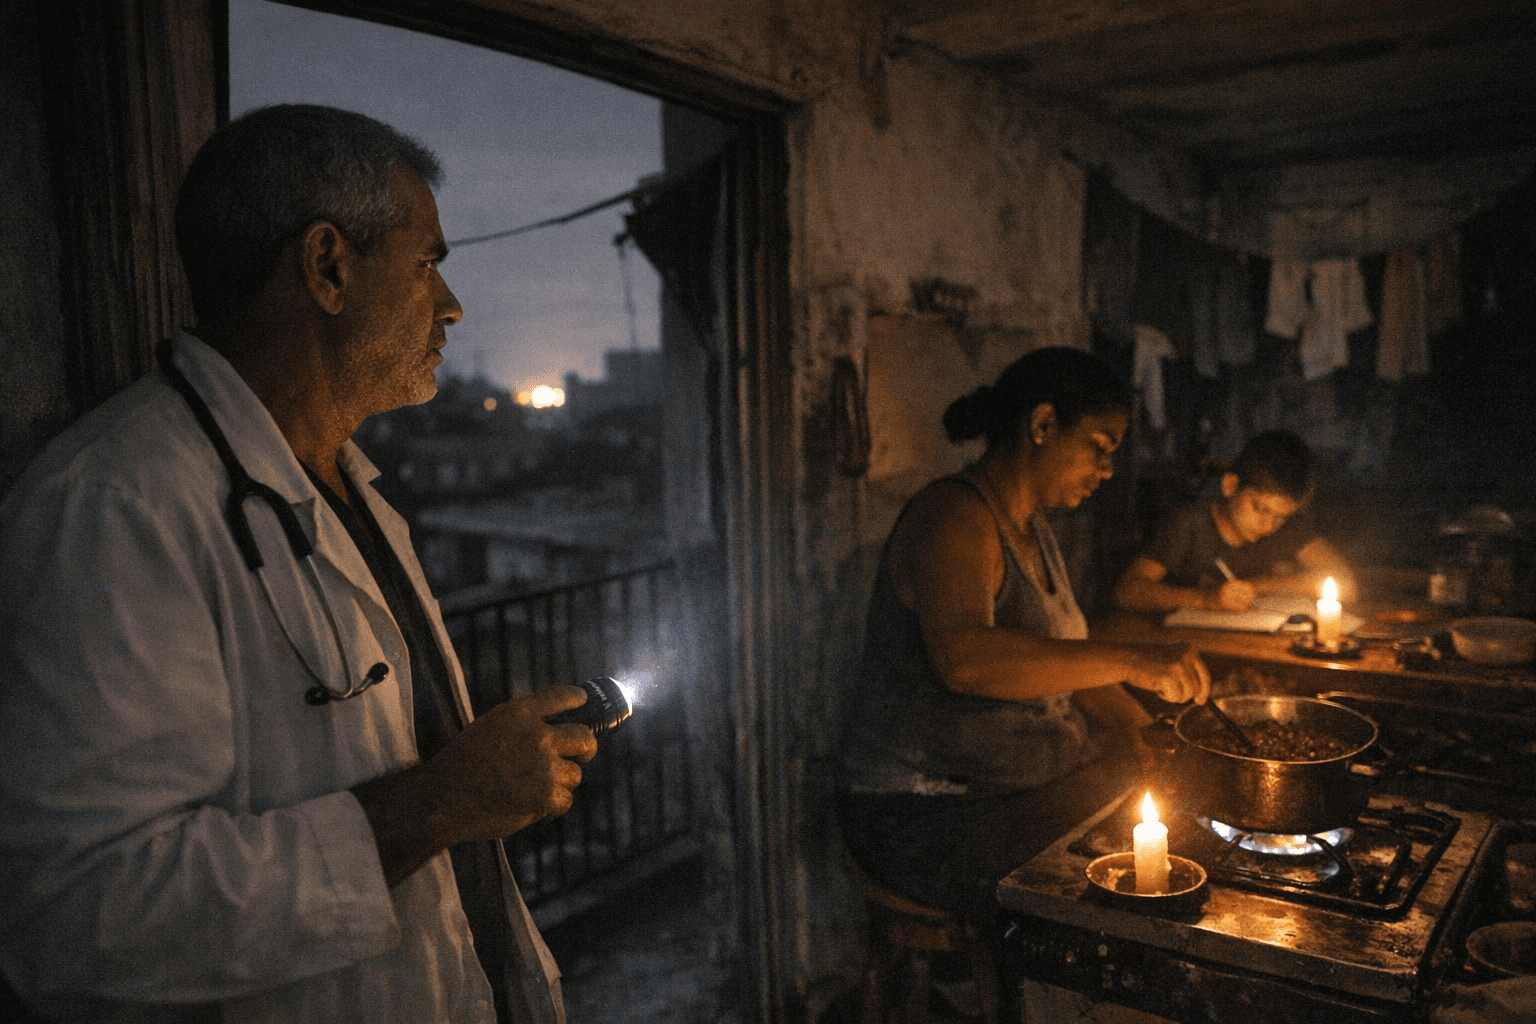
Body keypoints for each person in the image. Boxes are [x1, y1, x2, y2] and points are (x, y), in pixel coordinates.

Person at [0, 105, 597, 1024]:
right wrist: (439, 803)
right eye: (429, 262)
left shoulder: (343, 489)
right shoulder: (115, 505)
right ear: (327, 267)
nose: (452, 304)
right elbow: (80, 911)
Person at [835, 346, 1211, 926]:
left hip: (1011, 795)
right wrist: (1132, 659)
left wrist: (1147, 730)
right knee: (1128, 886)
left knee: (1182, 820)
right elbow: (967, 660)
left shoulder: (1036, 533)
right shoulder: (952, 515)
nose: (1108, 471)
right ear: (1042, 425)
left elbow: (1069, 668)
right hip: (925, 815)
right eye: (1100, 447)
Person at [1112, 429, 1356, 613]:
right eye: (1260, 508)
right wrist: (1206, 599)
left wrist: (1255, 587)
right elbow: (1127, 591)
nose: (1269, 525)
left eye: (1280, 517)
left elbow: (1346, 584)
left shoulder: (1287, 529)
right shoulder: (1189, 524)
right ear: (1230, 485)